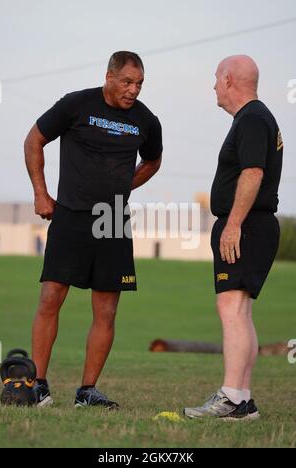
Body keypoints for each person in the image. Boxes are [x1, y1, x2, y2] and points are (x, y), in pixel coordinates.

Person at [24, 51, 163, 408]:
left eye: (140, 84)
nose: (134, 90)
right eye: (128, 82)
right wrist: (41, 193)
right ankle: (38, 383)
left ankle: (87, 391)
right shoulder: (76, 105)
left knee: (106, 310)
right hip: (70, 215)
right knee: (51, 297)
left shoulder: (146, 120)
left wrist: (124, 186)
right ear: (109, 76)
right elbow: (33, 140)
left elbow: (153, 160)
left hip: (114, 218)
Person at [184, 55, 283, 421]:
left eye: (215, 78)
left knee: (232, 310)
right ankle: (241, 398)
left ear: (228, 80)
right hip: (252, 225)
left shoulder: (253, 119)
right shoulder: (256, 118)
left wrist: (233, 224)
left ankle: (232, 399)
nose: (213, 86)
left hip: (247, 225)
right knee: (240, 310)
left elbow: (253, 173)